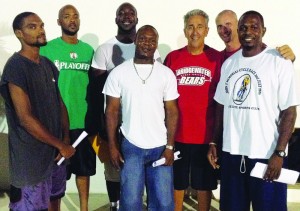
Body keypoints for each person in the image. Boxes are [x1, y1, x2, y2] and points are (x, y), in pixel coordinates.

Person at [208, 10, 299, 211]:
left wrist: (279, 153)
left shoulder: (279, 61)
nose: (248, 31)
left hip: (266, 155)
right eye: (243, 27)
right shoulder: (230, 64)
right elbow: (221, 106)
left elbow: (290, 112)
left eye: (254, 27)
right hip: (232, 154)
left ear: (263, 30)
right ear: (238, 31)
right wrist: (214, 141)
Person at [0, 12, 75, 211]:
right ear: (19, 34)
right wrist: (61, 144)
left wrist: (65, 140)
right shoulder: (15, 67)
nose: (40, 30)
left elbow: (60, 105)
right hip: (30, 161)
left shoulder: (48, 65)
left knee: (54, 201)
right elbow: (25, 118)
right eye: (32, 27)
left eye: (41, 25)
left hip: (55, 155)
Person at [90, 3, 160, 210]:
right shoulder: (104, 49)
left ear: (137, 19)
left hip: (142, 122)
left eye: (131, 13)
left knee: (139, 167)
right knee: (113, 166)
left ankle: (139, 203)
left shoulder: (150, 50)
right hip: (114, 120)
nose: (127, 16)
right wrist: (102, 123)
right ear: (116, 19)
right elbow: (96, 91)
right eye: (122, 13)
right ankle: (114, 204)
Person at [103, 25, 179, 211]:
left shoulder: (166, 73)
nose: (147, 44)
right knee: (129, 203)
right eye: (143, 39)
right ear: (136, 40)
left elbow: (172, 111)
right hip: (131, 146)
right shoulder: (119, 72)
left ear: (156, 44)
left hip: (160, 147)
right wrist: (112, 147)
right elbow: (111, 111)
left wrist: (170, 146)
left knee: (164, 202)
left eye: (152, 40)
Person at [164, 9, 222, 211]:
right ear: (184, 30)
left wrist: (216, 137)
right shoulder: (173, 58)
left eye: (199, 27)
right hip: (177, 134)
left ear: (207, 30)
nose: (195, 31)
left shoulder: (217, 59)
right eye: (190, 27)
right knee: (176, 183)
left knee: (204, 184)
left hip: (206, 136)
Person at [40, 5, 95, 211]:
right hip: (55, 123)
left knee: (84, 170)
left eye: (75, 16)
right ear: (59, 22)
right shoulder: (47, 49)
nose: (72, 20)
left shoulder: (88, 51)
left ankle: (84, 208)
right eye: (66, 16)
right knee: (56, 173)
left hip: (82, 121)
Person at [215, 9, 296, 61]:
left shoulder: (258, 50)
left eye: (228, 24)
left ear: (237, 25)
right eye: (219, 26)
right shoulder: (218, 58)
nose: (223, 30)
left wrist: (289, 58)